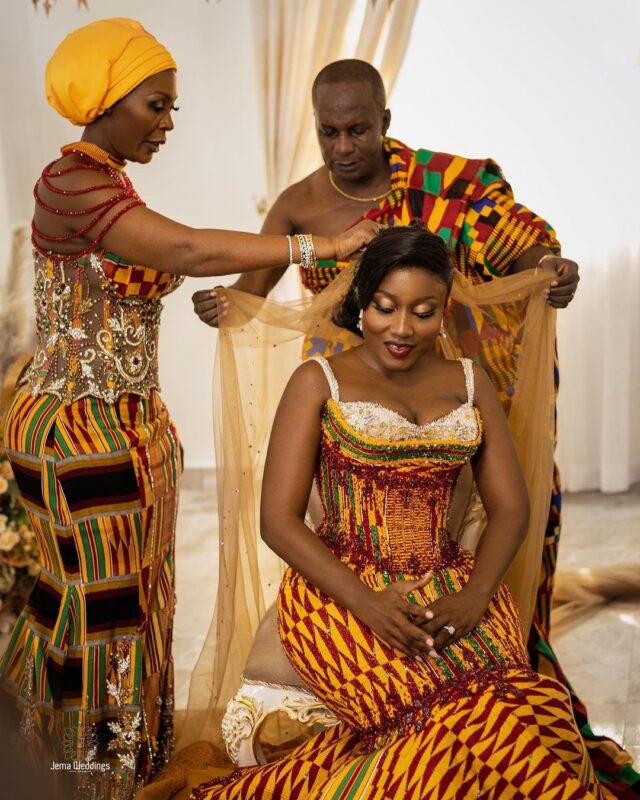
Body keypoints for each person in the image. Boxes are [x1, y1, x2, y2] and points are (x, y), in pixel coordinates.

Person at [192, 59, 640, 795]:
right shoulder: (301, 217)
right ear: (363, 302)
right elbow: (251, 297)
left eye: (358, 128)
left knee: (532, 710)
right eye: (329, 131)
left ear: (384, 123)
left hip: (444, 534)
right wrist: (230, 307)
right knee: (447, 724)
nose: (343, 146)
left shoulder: (448, 201)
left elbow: (519, 240)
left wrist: (544, 268)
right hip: (347, 483)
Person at [0, 20, 377, 800]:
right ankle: (82, 778)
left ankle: (84, 766)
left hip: (123, 428)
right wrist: (317, 248)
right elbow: (186, 252)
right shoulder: (69, 182)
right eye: (156, 105)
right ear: (107, 98)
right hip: (80, 430)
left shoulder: (107, 180)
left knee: (112, 609)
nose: (168, 123)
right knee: (96, 618)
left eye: (172, 108)